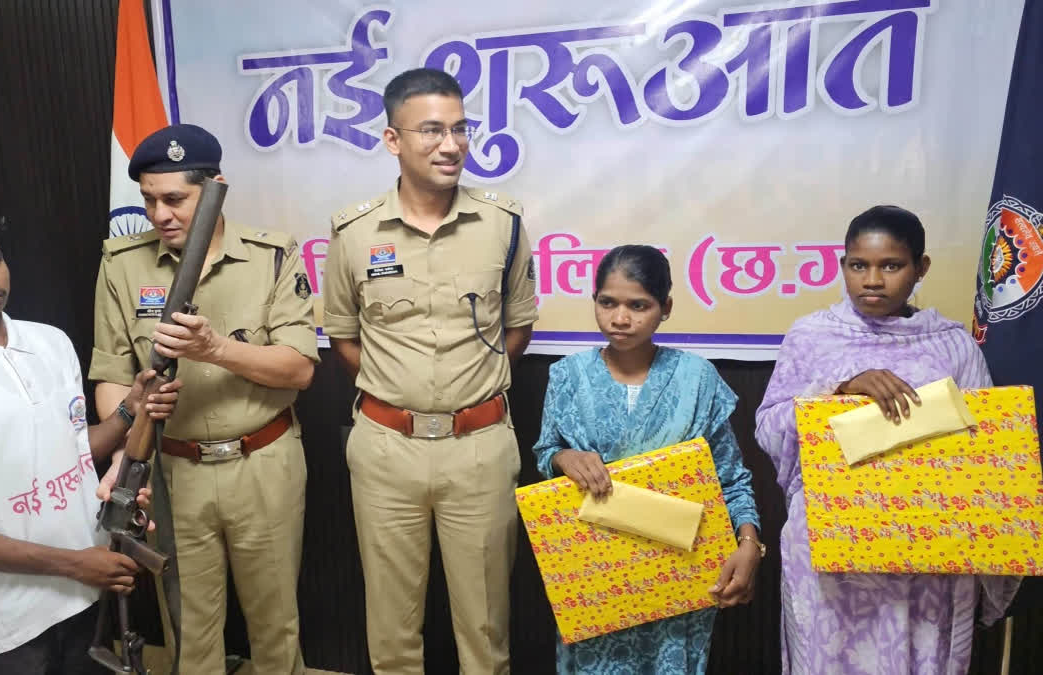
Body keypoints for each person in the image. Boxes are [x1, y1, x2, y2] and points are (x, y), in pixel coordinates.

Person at [0, 209, 180, 674]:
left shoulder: (50, 342)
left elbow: (72, 449)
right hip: (10, 620)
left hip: (88, 593)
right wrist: (73, 564)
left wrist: (129, 409)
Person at [322, 67, 538, 674]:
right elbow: (343, 337)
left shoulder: (503, 222)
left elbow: (517, 327)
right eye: (432, 131)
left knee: (486, 630)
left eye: (460, 129)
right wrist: (402, 394)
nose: (452, 145)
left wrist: (470, 389)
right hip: (386, 449)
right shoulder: (353, 232)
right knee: (391, 631)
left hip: (480, 448)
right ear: (393, 140)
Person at [90, 123, 319, 675]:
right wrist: (127, 449)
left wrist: (214, 349)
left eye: (175, 199)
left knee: (275, 622)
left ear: (214, 188)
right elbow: (112, 377)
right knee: (189, 629)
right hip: (173, 469)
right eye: (149, 200)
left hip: (262, 462)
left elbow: (298, 368)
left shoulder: (271, 255)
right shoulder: (122, 263)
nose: (160, 214)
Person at [755, 205, 1021, 674]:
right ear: (843, 265)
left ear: (921, 267)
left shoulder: (953, 345)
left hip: (927, 554)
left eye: (891, 266)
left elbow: (984, 452)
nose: (872, 280)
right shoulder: (812, 337)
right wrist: (838, 390)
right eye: (859, 266)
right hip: (830, 555)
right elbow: (769, 429)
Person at [533, 245, 762, 674]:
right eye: (607, 303)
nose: (620, 318)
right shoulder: (568, 375)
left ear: (665, 308)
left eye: (638, 305)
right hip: (594, 570)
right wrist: (563, 457)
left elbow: (731, 477)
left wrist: (749, 544)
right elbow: (546, 453)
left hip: (678, 569)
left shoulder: (697, 379)